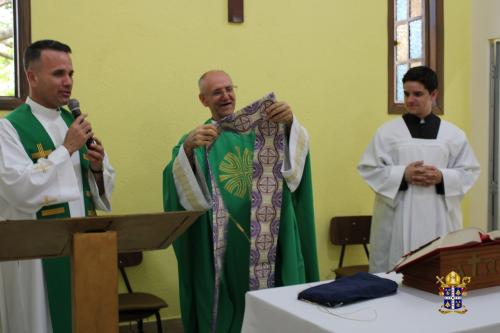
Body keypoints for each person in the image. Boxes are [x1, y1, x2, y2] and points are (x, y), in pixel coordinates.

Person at [163, 70, 318, 333]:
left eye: (229, 89)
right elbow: (177, 183)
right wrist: (188, 150)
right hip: (221, 244)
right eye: (216, 92)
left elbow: (293, 172)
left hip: (269, 237)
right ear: (203, 100)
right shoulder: (198, 138)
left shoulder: (261, 131)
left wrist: (290, 123)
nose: (225, 96)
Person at [0, 40, 115, 333]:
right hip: (37, 257)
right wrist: (66, 149)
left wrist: (98, 169)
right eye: (58, 73)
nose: (68, 82)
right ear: (32, 76)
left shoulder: (73, 122)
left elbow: (93, 191)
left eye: (71, 73)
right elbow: (19, 188)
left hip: (82, 247)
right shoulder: (8, 128)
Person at [358, 66, 480, 273]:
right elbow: (369, 169)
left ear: (433, 95)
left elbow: (469, 171)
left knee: (438, 276)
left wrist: (442, 176)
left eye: (417, 94)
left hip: (439, 216)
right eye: (406, 93)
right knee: (395, 276)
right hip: (398, 216)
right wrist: (402, 175)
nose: (410, 99)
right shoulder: (387, 133)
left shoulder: (453, 135)